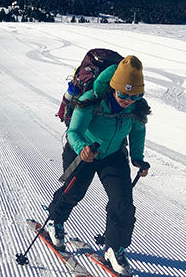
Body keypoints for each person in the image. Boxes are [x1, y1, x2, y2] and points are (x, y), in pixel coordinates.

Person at [47, 55, 151, 276]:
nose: (127, 100)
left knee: (122, 202)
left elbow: (138, 132)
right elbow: (73, 131)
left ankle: (114, 247)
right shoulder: (91, 100)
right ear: (113, 87)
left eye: (134, 95)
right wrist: (83, 148)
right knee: (74, 191)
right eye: (123, 93)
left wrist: (138, 158)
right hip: (84, 152)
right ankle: (55, 220)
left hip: (113, 155)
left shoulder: (136, 109)